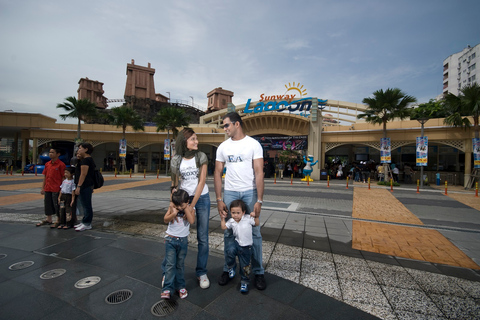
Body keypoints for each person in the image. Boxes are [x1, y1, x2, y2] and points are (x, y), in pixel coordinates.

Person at [214, 111, 266, 290]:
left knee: (255, 232)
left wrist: (259, 200)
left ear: (237, 124)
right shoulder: (222, 147)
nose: (225, 128)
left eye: (226, 125)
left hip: (249, 192)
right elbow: (217, 173)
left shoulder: (254, 144)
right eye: (223, 126)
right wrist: (219, 198)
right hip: (229, 193)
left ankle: (258, 272)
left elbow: (259, 172)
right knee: (229, 233)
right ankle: (228, 269)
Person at [170, 128, 211, 289]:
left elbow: (201, 182)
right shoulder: (176, 160)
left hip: (202, 199)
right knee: (178, 237)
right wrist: (173, 206)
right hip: (183, 200)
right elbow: (174, 185)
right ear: (184, 141)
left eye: (196, 139)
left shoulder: (201, 156)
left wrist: (191, 206)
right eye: (193, 139)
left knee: (203, 238)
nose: (196, 142)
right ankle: (171, 273)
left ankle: (201, 272)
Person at [161, 189, 195, 300]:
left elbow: (191, 221)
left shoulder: (190, 209)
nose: (180, 207)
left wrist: (186, 210)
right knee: (170, 265)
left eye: (182, 205)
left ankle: (180, 286)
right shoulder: (173, 208)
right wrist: (174, 213)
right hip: (170, 240)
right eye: (178, 205)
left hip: (182, 241)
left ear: (188, 201)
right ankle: (167, 288)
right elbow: (165, 219)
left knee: (180, 265)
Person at [221, 199, 259, 294]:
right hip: (237, 244)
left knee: (245, 267)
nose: (235, 215)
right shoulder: (231, 221)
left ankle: (244, 282)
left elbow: (256, 223)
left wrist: (256, 216)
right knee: (229, 250)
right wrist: (222, 218)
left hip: (246, 248)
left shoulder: (247, 218)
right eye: (233, 213)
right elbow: (223, 227)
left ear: (243, 212)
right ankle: (231, 266)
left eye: (238, 213)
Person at [36, 148, 66, 227]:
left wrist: (62, 189)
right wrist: (43, 188)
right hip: (48, 187)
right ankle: (49, 219)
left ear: (58, 154)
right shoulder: (47, 164)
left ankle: (58, 220)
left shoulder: (61, 165)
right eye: (50, 152)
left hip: (56, 188)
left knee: (57, 204)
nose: (50, 154)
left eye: (52, 152)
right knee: (47, 203)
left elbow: (63, 177)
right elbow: (45, 177)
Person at [74, 143, 96, 231]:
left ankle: (87, 223)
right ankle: (84, 221)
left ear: (86, 149)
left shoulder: (86, 161)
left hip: (85, 185)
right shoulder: (85, 160)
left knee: (86, 205)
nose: (78, 150)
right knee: (84, 204)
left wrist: (79, 186)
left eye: (80, 148)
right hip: (86, 185)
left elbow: (83, 174)